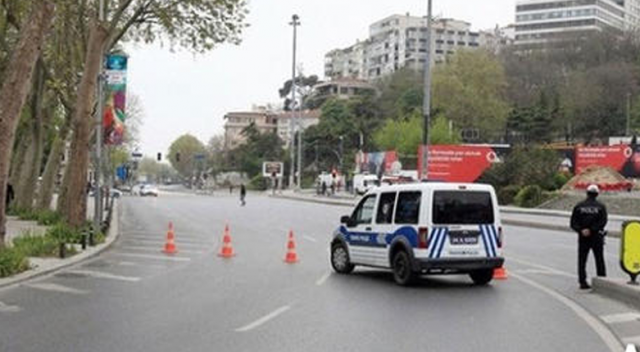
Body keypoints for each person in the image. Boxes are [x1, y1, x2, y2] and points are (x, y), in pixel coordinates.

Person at [570, 184, 608, 289]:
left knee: (582, 260)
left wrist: (582, 230)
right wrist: (592, 229)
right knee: (599, 259)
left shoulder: (579, 206)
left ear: (587, 193)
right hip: (596, 237)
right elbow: (603, 222)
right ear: (597, 194)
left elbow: (573, 222)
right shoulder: (601, 207)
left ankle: (582, 281)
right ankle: (602, 281)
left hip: (583, 237)